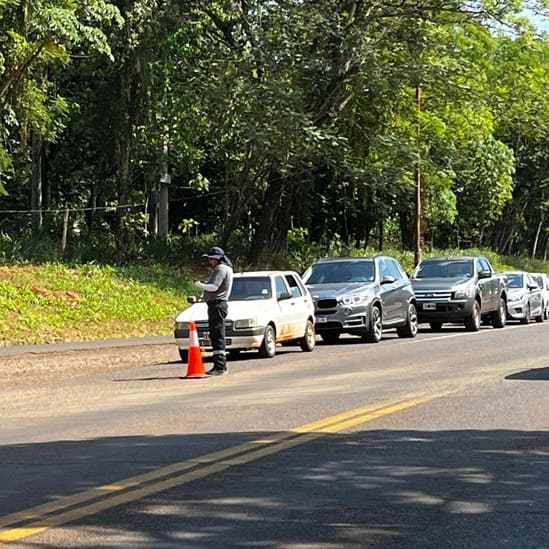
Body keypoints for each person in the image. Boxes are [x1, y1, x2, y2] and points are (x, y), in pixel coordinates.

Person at [195, 246, 234, 375]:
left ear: (216, 258)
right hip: (217, 305)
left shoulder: (221, 269)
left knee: (217, 335)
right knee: (216, 334)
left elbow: (214, 287)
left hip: (217, 305)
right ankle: (219, 365)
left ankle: (220, 366)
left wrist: (200, 284)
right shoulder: (225, 268)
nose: (209, 261)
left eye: (210, 259)